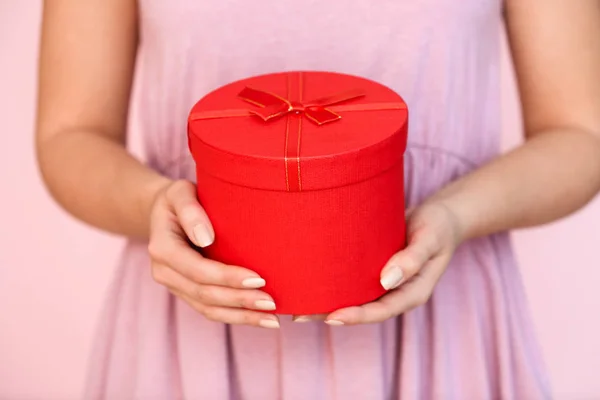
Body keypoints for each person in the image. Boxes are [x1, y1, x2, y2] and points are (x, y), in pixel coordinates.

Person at [34, 0, 600, 399]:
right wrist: (154, 205)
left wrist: (456, 216)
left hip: (442, 319)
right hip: (194, 313)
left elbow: (581, 135)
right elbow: (69, 134)